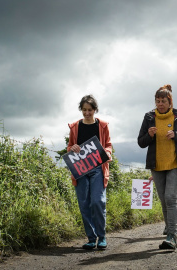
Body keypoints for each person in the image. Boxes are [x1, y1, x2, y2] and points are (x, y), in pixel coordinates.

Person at [138, 84, 177, 250]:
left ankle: (172, 236)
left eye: (163, 101)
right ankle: (170, 230)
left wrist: (176, 135)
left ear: (170, 102)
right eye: (157, 101)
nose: (160, 104)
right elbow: (141, 142)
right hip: (156, 166)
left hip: (175, 165)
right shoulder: (149, 117)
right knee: (163, 200)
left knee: (170, 197)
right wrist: (149, 135)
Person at [67, 95, 112, 250]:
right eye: (84, 110)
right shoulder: (74, 127)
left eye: (90, 110)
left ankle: (102, 237)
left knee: (98, 201)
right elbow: (70, 147)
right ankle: (91, 238)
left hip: (98, 168)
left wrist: (107, 153)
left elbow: (108, 145)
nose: (87, 113)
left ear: (95, 110)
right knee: (84, 203)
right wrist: (72, 148)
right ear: (81, 110)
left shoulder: (103, 126)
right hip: (80, 169)